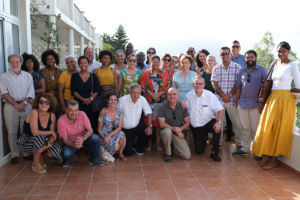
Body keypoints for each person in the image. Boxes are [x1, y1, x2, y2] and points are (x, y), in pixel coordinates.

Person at [252, 41, 300, 170]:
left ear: (288, 52)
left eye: (284, 51)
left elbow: (298, 86)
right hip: (272, 98)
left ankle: (275, 159)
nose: (281, 53)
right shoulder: (274, 63)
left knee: (279, 128)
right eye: (279, 51)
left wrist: (288, 90)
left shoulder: (293, 65)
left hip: (284, 99)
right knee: (268, 126)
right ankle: (268, 154)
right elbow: (269, 83)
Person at [0, 54, 35, 164]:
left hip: (26, 105)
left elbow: (31, 91)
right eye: (12, 62)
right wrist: (15, 104)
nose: (15, 64)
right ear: (9, 63)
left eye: (17, 62)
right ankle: (14, 155)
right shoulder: (4, 77)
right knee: (12, 132)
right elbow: (4, 93)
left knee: (26, 130)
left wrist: (24, 103)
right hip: (10, 106)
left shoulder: (27, 76)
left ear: (21, 62)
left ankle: (26, 153)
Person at [233, 50, 268, 156]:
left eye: (252, 57)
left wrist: (263, 102)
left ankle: (257, 150)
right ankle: (245, 148)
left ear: (256, 58)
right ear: (245, 59)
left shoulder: (262, 70)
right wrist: (237, 101)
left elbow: (266, 87)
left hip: (256, 104)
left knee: (256, 128)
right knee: (245, 127)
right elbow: (238, 87)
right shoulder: (242, 71)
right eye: (248, 57)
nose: (250, 59)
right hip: (243, 103)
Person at [17, 93, 62, 173]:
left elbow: (52, 136)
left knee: (55, 150)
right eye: (41, 102)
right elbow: (35, 132)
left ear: (50, 104)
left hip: (42, 141)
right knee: (40, 137)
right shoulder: (34, 112)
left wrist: (49, 144)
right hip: (27, 141)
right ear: (37, 103)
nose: (44, 104)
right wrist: (51, 131)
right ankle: (35, 163)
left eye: (47, 102)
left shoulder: (52, 116)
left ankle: (41, 157)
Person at [183, 76, 224, 162]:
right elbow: (184, 110)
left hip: (208, 122)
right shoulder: (188, 96)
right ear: (193, 85)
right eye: (196, 83)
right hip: (196, 126)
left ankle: (214, 152)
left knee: (217, 128)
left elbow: (220, 109)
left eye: (200, 84)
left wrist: (218, 122)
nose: (198, 85)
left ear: (204, 85)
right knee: (199, 151)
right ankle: (205, 138)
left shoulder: (210, 95)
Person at [211, 47, 243, 147]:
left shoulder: (237, 67)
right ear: (220, 56)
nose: (225, 56)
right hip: (219, 100)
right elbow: (214, 83)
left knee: (237, 123)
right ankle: (218, 143)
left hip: (232, 100)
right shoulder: (216, 68)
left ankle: (240, 143)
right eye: (222, 54)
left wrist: (229, 95)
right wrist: (222, 95)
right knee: (219, 122)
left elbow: (239, 83)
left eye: (226, 53)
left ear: (230, 54)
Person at [58, 100, 103, 167]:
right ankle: (66, 160)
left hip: (83, 139)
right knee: (66, 154)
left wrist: (83, 138)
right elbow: (65, 140)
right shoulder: (61, 121)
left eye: (76, 110)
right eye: (71, 110)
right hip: (70, 142)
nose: (74, 113)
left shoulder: (82, 114)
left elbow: (90, 130)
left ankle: (94, 159)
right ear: (66, 110)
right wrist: (74, 145)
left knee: (95, 138)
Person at [140, 55, 169, 151]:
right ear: (150, 62)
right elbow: (142, 87)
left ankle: (158, 144)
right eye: (153, 61)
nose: (155, 63)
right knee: (149, 122)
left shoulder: (164, 73)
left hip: (161, 101)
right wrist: (153, 95)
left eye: (157, 61)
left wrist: (158, 95)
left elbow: (167, 87)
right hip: (148, 101)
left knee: (159, 124)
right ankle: (148, 144)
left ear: (160, 63)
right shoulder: (145, 73)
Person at [118, 83, 152, 156]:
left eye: (138, 93)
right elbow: (116, 113)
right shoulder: (122, 100)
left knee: (148, 132)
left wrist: (149, 126)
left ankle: (137, 147)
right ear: (129, 92)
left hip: (137, 125)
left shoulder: (142, 99)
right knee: (127, 153)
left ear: (140, 93)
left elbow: (149, 112)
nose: (136, 95)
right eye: (133, 93)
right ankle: (130, 146)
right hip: (126, 129)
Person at [158, 88, 191, 162]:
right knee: (167, 131)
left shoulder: (182, 106)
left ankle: (174, 149)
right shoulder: (162, 107)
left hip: (177, 133)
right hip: (167, 131)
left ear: (178, 96)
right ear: (167, 96)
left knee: (187, 156)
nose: (172, 96)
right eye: (170, 94)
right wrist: (175, 129)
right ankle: (168, 154)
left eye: (174, 94)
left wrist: (180, 129)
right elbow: (162, 124)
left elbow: (187, 123)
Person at [71, 56, 100, 132]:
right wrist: (83, 99)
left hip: (91, 105)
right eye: (81, 63)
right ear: (78, 64)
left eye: (85, 63)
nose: (83, 64)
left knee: (91, 124)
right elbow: (73, 91)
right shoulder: (74, 76)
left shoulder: (93, 76)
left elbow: (97, 90)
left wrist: (90, 99)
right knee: (79, 124)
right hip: (79, 104)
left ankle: (91, 140)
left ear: (88, 64)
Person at [98, 93, 126, 160]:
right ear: (107, 100)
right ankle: (109, 151)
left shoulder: (119, 111)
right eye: (111, 100)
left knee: (122, 134)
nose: (113, 102)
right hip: (104, 135)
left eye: (115, 100)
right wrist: (105, 137)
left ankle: (120, 153)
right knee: (116, 147)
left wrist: (110, 136)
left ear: (117, 101)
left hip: (114, 133)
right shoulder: (103, 112)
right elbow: (99, 129)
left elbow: (119, 127)